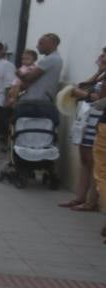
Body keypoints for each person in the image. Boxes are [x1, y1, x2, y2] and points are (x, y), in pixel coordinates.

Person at [62, 49, 106, 210]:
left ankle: (92, 201)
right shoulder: (101, 76)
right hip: (87, 120)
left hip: (98, 121)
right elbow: (84, 86)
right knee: (85, 160)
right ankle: (80, 197)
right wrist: (99, 72)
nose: (100, 57)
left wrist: (82, 94)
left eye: (104, 55)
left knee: (95, 163)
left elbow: (99, 99)